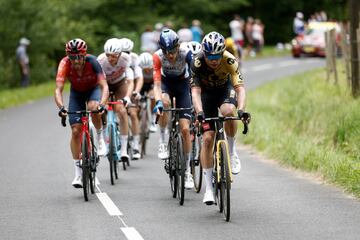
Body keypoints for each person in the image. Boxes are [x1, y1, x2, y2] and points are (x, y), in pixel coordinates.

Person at [190, 32, 250, 204]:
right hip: (205, 94)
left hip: (225, 89)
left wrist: (242, 110)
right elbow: (195, 92)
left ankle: (231, 152)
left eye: (217, 56)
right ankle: (208, 189)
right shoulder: (197, 62)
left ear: (222, 52)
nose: (214, 60)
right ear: (205, 53)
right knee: (208, 139)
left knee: (229, 112)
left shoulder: (230, 60)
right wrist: (199, 112)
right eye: (210, 56)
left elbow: (240, 89)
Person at [55, 38, 109, 188]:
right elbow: (58, 89)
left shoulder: (93, 62)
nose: (76, 60)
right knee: (75, 130)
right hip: (76, 94)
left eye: (79, 56)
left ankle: (99, 138)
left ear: (84, 55)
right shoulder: (65, 63)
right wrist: (61, 107)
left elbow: (104, 86)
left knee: (93, 107)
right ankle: (78, 174)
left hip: (93, 91)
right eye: (72, 57)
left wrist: (102, 105)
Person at [152, 29, 194, 189]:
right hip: (165, 84)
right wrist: (158, 102)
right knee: (165, 103)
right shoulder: (157, 56)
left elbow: (195, 77)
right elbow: (156, 84)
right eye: (166, 51)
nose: (169, 55)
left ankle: (188, 171)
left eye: (172, 51)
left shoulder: (186, 53)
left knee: (185, 129)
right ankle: (163, 140)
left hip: (183, 85)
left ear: (178, 46)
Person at [97, 38, 134, 161]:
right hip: (105, 85)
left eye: (114, 56)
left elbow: (130, 81)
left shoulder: (125, 59)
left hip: (119, 84)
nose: (111, 58)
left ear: (119, 54)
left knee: (122, 111)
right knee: (100, 110)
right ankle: (103, 137)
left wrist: (128, 97)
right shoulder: (101, 60)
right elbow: (98, 83)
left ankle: (123, 149)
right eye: (108, 55)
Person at [120, 38, 143, 160]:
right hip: (119, 85)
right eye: (123, 52)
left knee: (133, 114)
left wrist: (136, 92)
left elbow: (139, 78)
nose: (125, 55)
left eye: (127, 52)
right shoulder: (115, 57)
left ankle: (135, 145)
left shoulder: (134, 58)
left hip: (131, 85)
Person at [138, 52, 157, 132]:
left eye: (149, 68)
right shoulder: (137, 68)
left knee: (153, 98)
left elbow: (157, 83)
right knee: (137, 103)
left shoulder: (156, 67)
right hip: (141, 85)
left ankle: (153, 120)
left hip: (152, 85)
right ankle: (139, 121)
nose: (147, 70)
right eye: (144, 69)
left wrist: (153, 92)